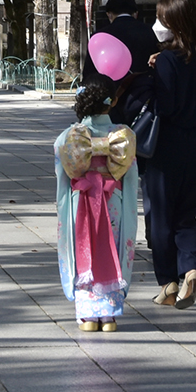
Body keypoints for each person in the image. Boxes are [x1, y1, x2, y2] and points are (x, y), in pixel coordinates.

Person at [140, 0, 196, 309]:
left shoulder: (166, 61)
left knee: (160, 215)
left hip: (168, 143)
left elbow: (165, 106)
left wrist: (153, 81)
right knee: (186, 213)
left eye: (161, 19)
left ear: (171, 22)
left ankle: (168, 282)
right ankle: (192, 268)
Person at [55, 80, 139, 332]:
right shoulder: (123, 136)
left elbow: (63, 174)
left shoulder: (71, 136)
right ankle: (109, 315)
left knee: (82, 249)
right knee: (111, 248)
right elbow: (132, 176)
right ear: (112, 102)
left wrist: (64, 202)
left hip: (81, 200)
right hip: (113, 199)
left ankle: (88, 315)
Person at [83, 0, 158, 87]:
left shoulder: (100, 36)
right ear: (136, 14)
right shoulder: (149, 32)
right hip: (143, 90)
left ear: (109, 15)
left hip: (111, 91)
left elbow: (89, 71)